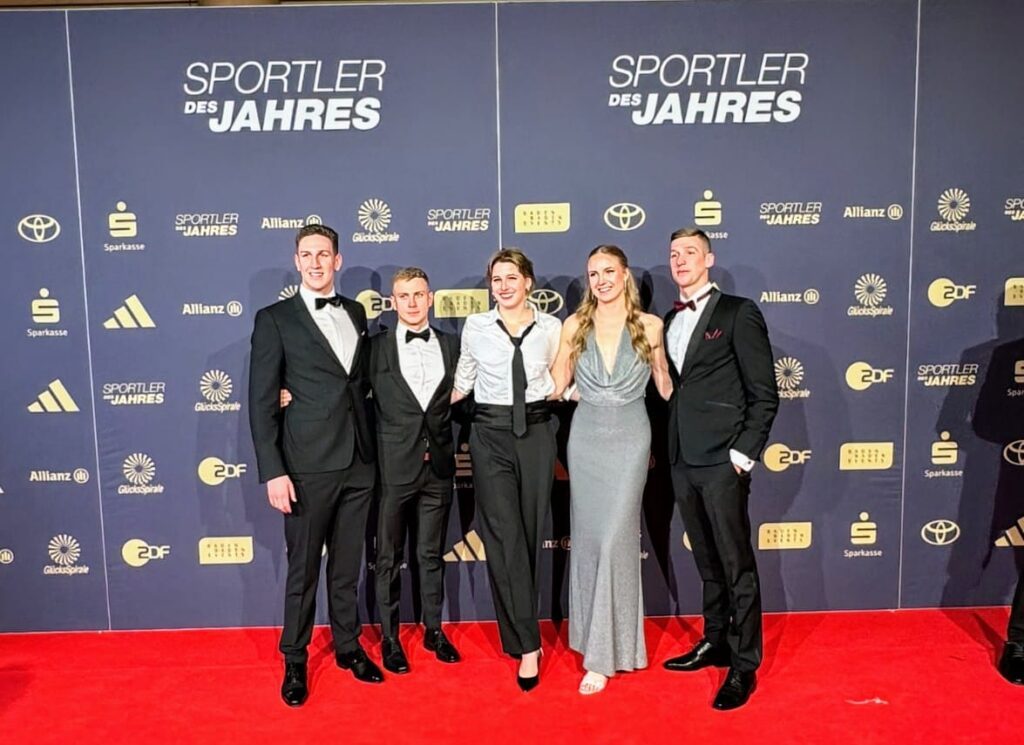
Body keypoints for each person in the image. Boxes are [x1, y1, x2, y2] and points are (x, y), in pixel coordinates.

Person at [248, 224, 381, 708]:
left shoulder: (356, 312)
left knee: (346, 567)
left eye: (324, 254)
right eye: (307, 255)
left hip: (359, 462)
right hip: (306, 465)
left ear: (337, 260)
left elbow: (356, 384)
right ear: (297, 262)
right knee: (303, 570)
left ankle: (348, 646)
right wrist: (273, 470)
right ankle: (295, 658)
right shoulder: (275, 319)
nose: (316, 263)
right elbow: (261, 401)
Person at [660, 227, 778, 710]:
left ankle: (744, 665)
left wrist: (742, 454)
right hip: (682, 458)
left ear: (709, 259)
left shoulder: (738, 312)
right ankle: (715, 641)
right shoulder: (670, 318)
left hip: (723, 460)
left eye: (690, 252)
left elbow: (764, 394)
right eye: (674, 254)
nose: (681, 260)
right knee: (707, 561)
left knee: (735, 565)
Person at [550, 245, 672, 695]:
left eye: (608, 271)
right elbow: (557, 382)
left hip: (630, 438)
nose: (600, 280)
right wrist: (562, 389)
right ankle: (596, 644)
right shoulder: (574, 324)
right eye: (593, 274)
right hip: (585, 440)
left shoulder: (650, 326)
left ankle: (605, 654)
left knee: (616, 540)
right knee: (589, 541)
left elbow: (664, 384)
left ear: (624, 276)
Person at [451, 248, 562, 691]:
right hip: (489, 435)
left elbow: (560, 381)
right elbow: (462, 382)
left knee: (530, 535)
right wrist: (410, 408)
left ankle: (520, 633)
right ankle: (528, 646)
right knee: (504, 537)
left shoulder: (552, 327)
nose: (504, 286)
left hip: (536, 433)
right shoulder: (476, 326)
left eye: (511, 277)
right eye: (496, 279)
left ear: (528, 281)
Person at [365, 268, 462, 671]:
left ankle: (434, 629)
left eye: (418, 295)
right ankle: (390, 638)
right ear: (392, 302)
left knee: (431, 554)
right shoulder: (375, 348)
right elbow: (348, 395)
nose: (411, 303)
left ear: (431, 298)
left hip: (438, 466)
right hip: (393, 468)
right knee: (388, 557)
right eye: (403, 296)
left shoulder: (452, 345)